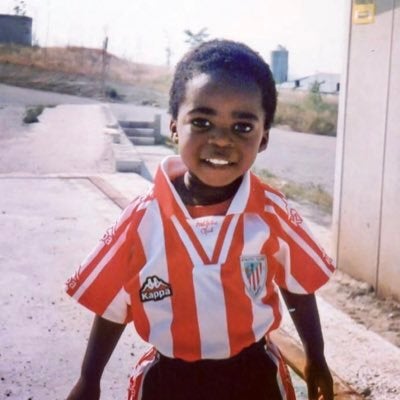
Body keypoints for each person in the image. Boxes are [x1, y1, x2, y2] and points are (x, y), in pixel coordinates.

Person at [65, 39, 335, 400]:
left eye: (242, 127)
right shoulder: (142, 219)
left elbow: (298, 283)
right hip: (170, 382)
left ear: (264, 138)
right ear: (175, 126)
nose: (221, 141)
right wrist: (89, 379)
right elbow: (113, 304)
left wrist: (315, 356)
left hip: (254, 375)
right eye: (203, 122)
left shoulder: (271, 212)